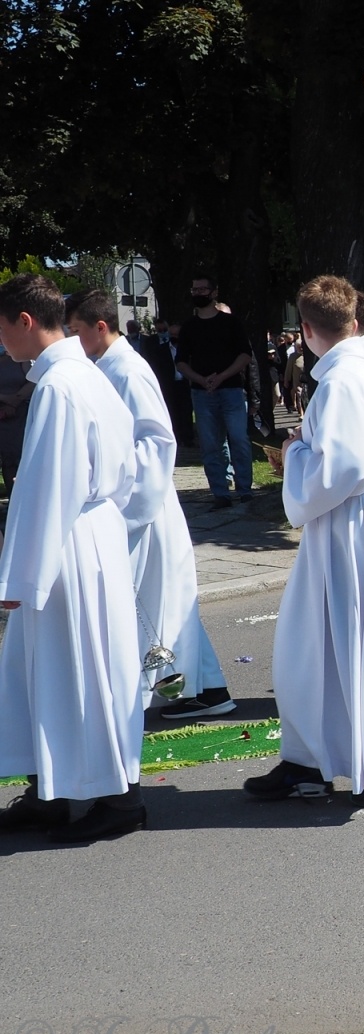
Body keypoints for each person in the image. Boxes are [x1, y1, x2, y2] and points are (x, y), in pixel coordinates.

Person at [250, 274, 364, 806]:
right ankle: (308, 759)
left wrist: (293, 456)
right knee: (314, 648)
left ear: (306, 329)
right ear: (354, 319)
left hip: (354, 524)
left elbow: (342, 468)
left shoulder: (342, 380)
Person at [0, 274, 144, 842]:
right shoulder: (85, 373)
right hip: (93, 529)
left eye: (1, 328)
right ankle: (51, 789)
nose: (1, 343)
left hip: (68, 542)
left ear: (25, 322)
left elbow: (44, 487)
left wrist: (19, 576)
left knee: (80, 667)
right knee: (56, 670)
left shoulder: (60, 385)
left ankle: (116, 798)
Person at [64, 290, 235, 719]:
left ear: (100, 327)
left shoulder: (128, 370)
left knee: (155, 605)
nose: (71, 340)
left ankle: (178, 692)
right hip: (134, 503)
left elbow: (157, 441)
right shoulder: (107, 367)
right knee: (165, 606)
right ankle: (206, 689)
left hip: (144, 505)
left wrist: (124, 506)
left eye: (76, 331)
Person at [175, 273, 253, 509]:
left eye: (202, 290)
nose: (198, 294)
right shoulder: (189, 327)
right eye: (194, 290)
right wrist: (201, 379)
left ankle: (244, 489)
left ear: (214, 292)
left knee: (239, 439)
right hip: (202, 393)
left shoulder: (231, 323)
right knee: (210, 445)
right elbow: (181, 362)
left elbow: (245, 355)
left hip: (231, 390)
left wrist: (222, 376)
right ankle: (220, 492)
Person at [0, 344, 32, 495]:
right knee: (7, 461)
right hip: (3, 413)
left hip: (18, 415)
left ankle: (20, 498)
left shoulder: (19, 357)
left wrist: (14, 401)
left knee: (18, 459)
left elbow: (32, 382)